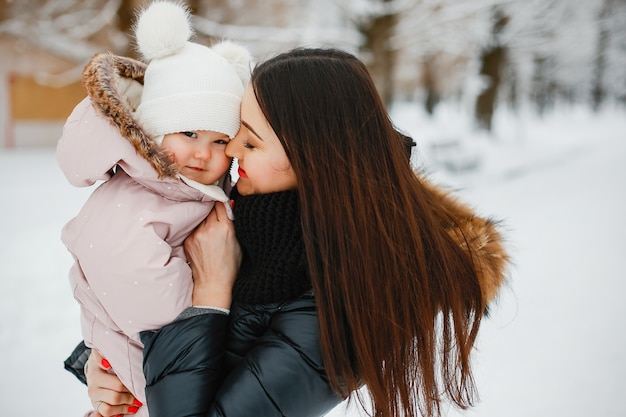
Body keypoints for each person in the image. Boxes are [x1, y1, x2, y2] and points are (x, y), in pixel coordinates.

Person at [66, 47, 509, 417]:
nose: (231, 150)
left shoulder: (348, 299)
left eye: (251, 141)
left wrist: (212, 294)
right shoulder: (256, 217)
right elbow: (145, 299)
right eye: (235, 131)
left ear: (314, 160)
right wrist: (107, 367)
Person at [57, 2, 251, 416]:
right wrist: (202, 313)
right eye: (189, 132)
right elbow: (133, 275)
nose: (203, 153)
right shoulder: (142, 195)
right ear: (154, 128)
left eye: (220, 141)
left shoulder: (184, 190)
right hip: (146, 365)